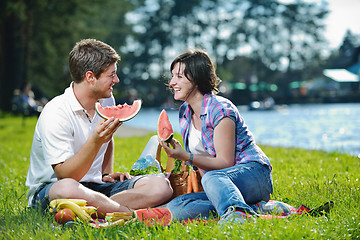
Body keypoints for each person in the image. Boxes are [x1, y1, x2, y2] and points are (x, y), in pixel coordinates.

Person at [25, 39, 173, 216]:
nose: (116, 80)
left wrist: (105, 174)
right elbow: (65, 175)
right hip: (51, 189)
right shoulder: (56, 112)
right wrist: (94, 141)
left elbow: (108, 140)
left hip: (94, 188)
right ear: (90, 77)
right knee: (67, 188)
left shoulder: (106, 101)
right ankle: (128, 214)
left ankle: (85, 210)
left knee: (160, 186)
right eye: (111, 75)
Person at [159, 49, 273, 224]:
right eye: (172, 76)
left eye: (179, 76)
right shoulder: (185, 113)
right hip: (219, 184)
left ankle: (238, 218)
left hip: (253, 173)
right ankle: (254, 208)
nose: (172, 82)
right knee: (176, 207)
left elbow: (224, 163)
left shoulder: (219, 109)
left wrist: (186, 156)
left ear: (196, 79)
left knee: (213, 177)